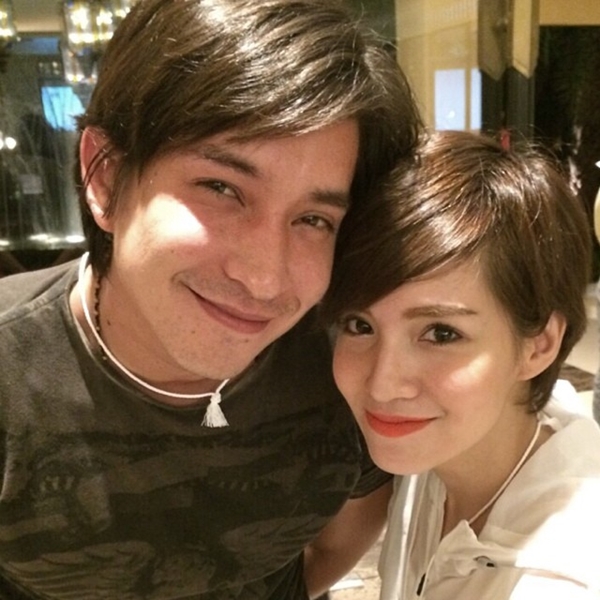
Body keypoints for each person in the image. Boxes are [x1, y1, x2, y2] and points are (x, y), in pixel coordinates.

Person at [0, 1, 423, 598]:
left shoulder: (350, 359)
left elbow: (334, 544)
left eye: (313, 219)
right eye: (222, 188)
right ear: (107, 177)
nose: (265, 280)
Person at [321, 130, 600, 599]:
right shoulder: (455, 448)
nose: (383, 385)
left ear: (539, 345)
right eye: (359, 325)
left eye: (441, 333)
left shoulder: (558, 581)